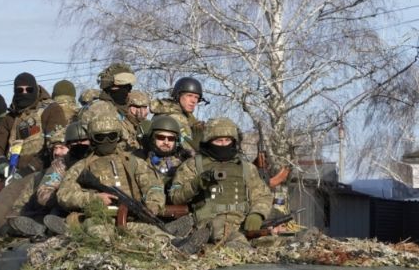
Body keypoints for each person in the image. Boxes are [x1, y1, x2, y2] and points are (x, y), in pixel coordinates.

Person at [0, 72, 67, 220]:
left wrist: (28, 169)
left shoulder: (51, 110)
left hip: (39, 169)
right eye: (20, 90)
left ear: (36, 89)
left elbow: (55, 147)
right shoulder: (11, 117)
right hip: (11, 168)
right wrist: (0, 161)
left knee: (9, 193)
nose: (24, 93)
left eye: (29, 90)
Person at [168, 118, 272, 246]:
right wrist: (197, 183)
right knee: (236, 245)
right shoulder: (193, 165)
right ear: (209, 141)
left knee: (275, 242)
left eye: (227, 140)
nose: (224, 144)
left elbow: (262, 195)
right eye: (219, 140)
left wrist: (258, 213)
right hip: (210, 223)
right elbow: (175, 196)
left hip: (243, 222)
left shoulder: (246, 167)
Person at [57, 113, 165, 222]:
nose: (106, 141)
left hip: (134, 220)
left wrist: (153, 205)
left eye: (111, 136)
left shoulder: (133, 162)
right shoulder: (81, 167)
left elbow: (154, 186)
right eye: (100, 137)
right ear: (92, 138)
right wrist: (94, 198)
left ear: (118, 137)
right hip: (99, 222)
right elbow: (64, 195)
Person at [80, 63, 142, 150]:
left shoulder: (123, 110)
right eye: (119, 87)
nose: (125, 91)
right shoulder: (99, 109)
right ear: (108, 87)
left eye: (128, 87)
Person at [150, 76, 206, 152]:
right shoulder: (173, 117)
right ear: (178, 95)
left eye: (196, 97)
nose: (193, 101)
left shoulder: (186, 117)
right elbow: (188, 149)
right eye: (189, 95)